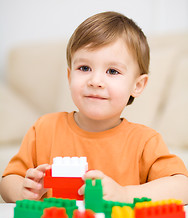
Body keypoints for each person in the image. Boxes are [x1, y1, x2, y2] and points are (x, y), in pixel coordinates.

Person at [1, 11, 188, 204]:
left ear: (137, 85)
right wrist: (23, 191)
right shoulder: (44, 129)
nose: (95, 81)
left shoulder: (145, 141)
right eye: (84, 68)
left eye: (112, 71)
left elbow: (182, 187)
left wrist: (125, 195)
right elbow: (7, 181)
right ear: (69, 76)